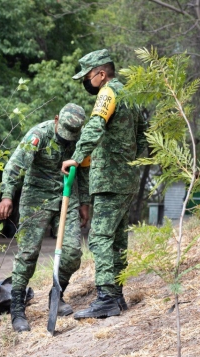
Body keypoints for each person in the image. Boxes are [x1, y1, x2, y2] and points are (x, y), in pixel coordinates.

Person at [61, 49, 148, 320]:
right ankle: (118, 297)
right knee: (117, 239)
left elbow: (95, 126)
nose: (87, 83)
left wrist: (75, 157)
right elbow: (143, 138)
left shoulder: (108, 93)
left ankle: (107, 298)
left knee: (99, 238)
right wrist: (130, 166)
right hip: (126, 179)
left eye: (88, 77)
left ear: (101, 74)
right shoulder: (130, 96)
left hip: (110, 180)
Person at [0, 103, 90, 332]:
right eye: (64, 133)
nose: (67, 140)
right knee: (28, 254)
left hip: (68, 195)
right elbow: (15, 165)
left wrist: (85, 202)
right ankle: (17, 310)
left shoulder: (80, 139)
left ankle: (56, 297)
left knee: (72, 253)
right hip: (36, 197)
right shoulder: (39, 134)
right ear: (56, 119)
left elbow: (85, 170)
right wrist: (7, 195)